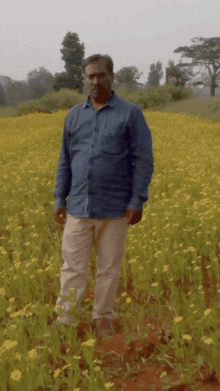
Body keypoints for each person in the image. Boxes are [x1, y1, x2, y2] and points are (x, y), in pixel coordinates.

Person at [52, 54, 154, 337]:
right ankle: (66, 319)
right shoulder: (74, 115)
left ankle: (103, 317)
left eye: (100, 75)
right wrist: (60, 198)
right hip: (78, 206)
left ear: (111, 76)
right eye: (90, 76)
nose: (95, 81)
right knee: (72, 267)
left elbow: (143, 159)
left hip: (115, 208)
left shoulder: (130, 113)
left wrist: (137, 201)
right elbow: (65, 160)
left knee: (109, 268)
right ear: (83, 79)